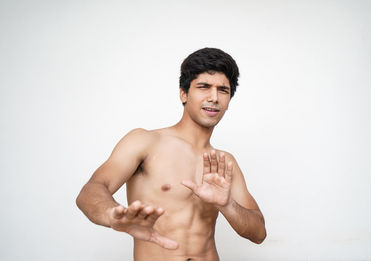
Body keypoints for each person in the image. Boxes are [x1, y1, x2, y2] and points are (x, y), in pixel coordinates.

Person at [76, 47, 267, 261]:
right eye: (204, 87)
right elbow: (91, 191)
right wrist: (112, 215)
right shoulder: (145, 142)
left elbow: (259, 233)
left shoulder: (223, 162)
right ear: (183, 93)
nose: (214, 97)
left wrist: (226, 205)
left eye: (223, 90)